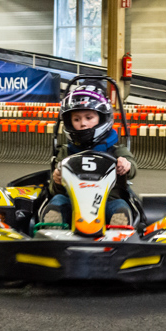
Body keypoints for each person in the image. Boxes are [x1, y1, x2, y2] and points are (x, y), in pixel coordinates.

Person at [43, 84, 137, 227]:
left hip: (107, 201)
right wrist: (57, 179)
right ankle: (53, 228)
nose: (83, 124)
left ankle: (119, 229)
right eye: (76, 119)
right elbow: (54, 191)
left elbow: (132, 168)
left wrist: (125, 165)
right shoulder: (66, 151)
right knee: (57, 202)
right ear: (69, 122)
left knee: (120, 205)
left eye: (89, 117)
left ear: (102, 118)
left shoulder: (116, 151)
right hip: (73, 202)